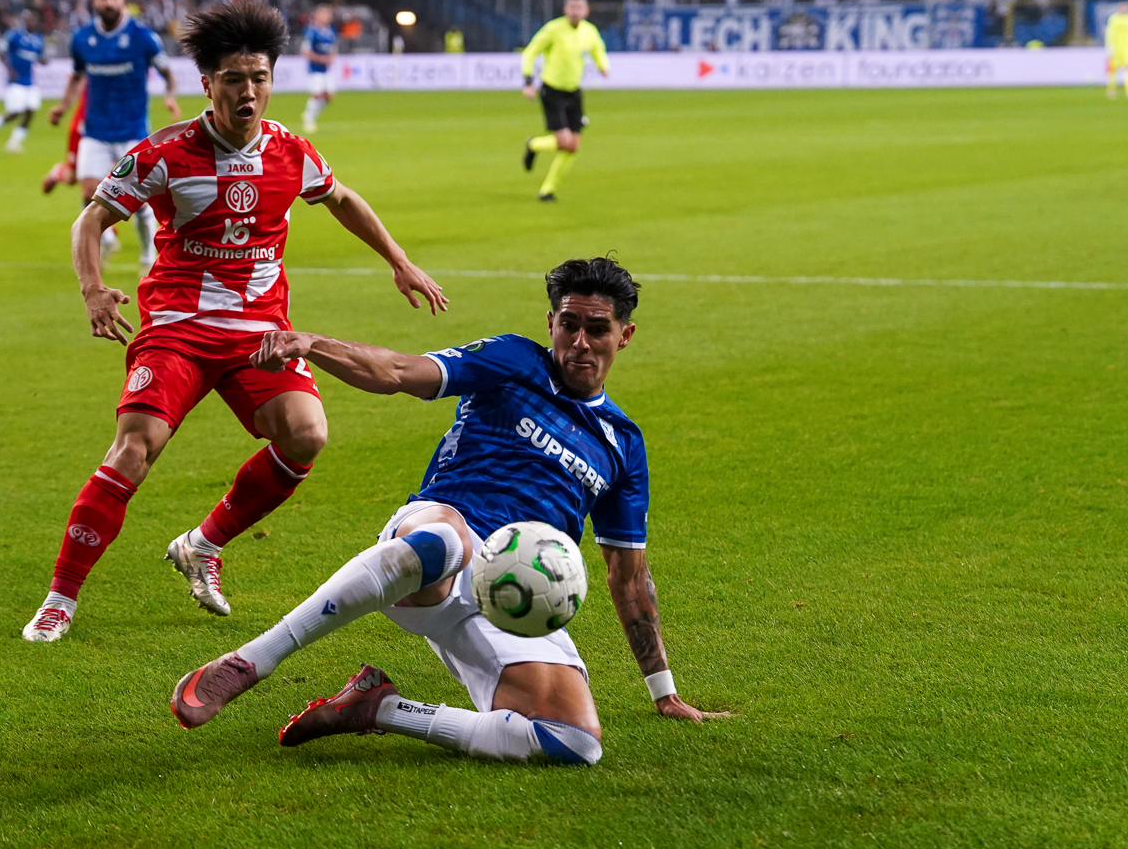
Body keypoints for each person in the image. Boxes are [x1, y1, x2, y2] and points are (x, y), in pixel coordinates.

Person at [170, 257, 726, 765]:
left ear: (624, 336)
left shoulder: (622, 444)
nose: (580, 342)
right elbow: (396, 373)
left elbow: (628, 576)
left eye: (597, 329)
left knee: (573, 742)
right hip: (438, 536)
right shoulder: (514, 360)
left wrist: (664, 690)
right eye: (568, 325)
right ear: (550, 322)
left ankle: (380, 708)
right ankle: (248, 663)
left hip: (514, 594)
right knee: (442, 545)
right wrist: (312, 343)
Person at [22, 0, 448, 643]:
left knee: (306, 435)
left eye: (259, 78)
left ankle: (202, 544)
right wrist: (93, 290)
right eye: (233, 80)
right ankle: (60, 598)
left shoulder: (291, 150)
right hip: (177, 326)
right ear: (207, 84)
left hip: (260, 333)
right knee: (135, 449)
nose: (249, 92)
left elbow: (341, 197)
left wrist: (399, 259)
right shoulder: (164, 154)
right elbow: (90, 218)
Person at [48, 0, 183, 275]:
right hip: (95, 129)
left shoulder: (143, 37)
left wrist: (170, 97)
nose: (108, 2)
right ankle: (108, 238)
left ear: (123, 0)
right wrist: (62, 106)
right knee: (88, 189)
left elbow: (167, 73)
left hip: (132, 129)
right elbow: (77, 77)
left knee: (140, 198)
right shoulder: (82, 39)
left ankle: (148, 255)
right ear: (94, 1)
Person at [520, 0, 609, 203]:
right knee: (565, 142)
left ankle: (547, 189)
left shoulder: (589, 31)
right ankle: (533, 145)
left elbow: (598, 50)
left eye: (579, 7)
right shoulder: (553, 29)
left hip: (574, 92)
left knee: (573, 146)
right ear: (565, 9)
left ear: (586, 10)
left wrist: (603, 65)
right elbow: (531, 51)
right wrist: (527, 81)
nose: (575, 11)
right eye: (572, 7)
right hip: (552, 91)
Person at [0, 9, 48, 151]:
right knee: (15, 112)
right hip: (16, 81)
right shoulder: (14, 36)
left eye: (32, 20)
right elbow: (1, 52)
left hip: (29, 81)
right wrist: (10, 70)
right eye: (27, 20)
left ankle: (13, 143)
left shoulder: (38, 39)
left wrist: (44, 61)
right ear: (23, 21)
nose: (30, 22)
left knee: (31, 111)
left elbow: (39, 56)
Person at [299, 4, 338, 134]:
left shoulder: (330, 31)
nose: (327, 17)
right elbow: (305, 51)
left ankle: (310, 115)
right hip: (314, 69)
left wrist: (332, 56)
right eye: (324, 14)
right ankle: (308, 119)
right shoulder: (311, 31)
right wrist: (320, 59)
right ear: (317, 16)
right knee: (316, 95)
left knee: (329, 96)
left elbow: (332, 47)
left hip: (326, 69)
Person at [40, 89, 87, 195]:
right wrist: (62, 108)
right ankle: (59, 172)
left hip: (116, 130)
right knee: (73, 177)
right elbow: (77, 79)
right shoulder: (97, 76)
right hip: (82, 129)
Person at [1103, 0, 1128, 101]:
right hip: (1116, 48)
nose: (1124, 9)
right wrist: (1109, 47)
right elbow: (1109, 33)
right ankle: (1111, 90)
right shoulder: (1113, 19)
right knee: (1112, 70)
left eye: (1126, 7)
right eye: (1122, 7)